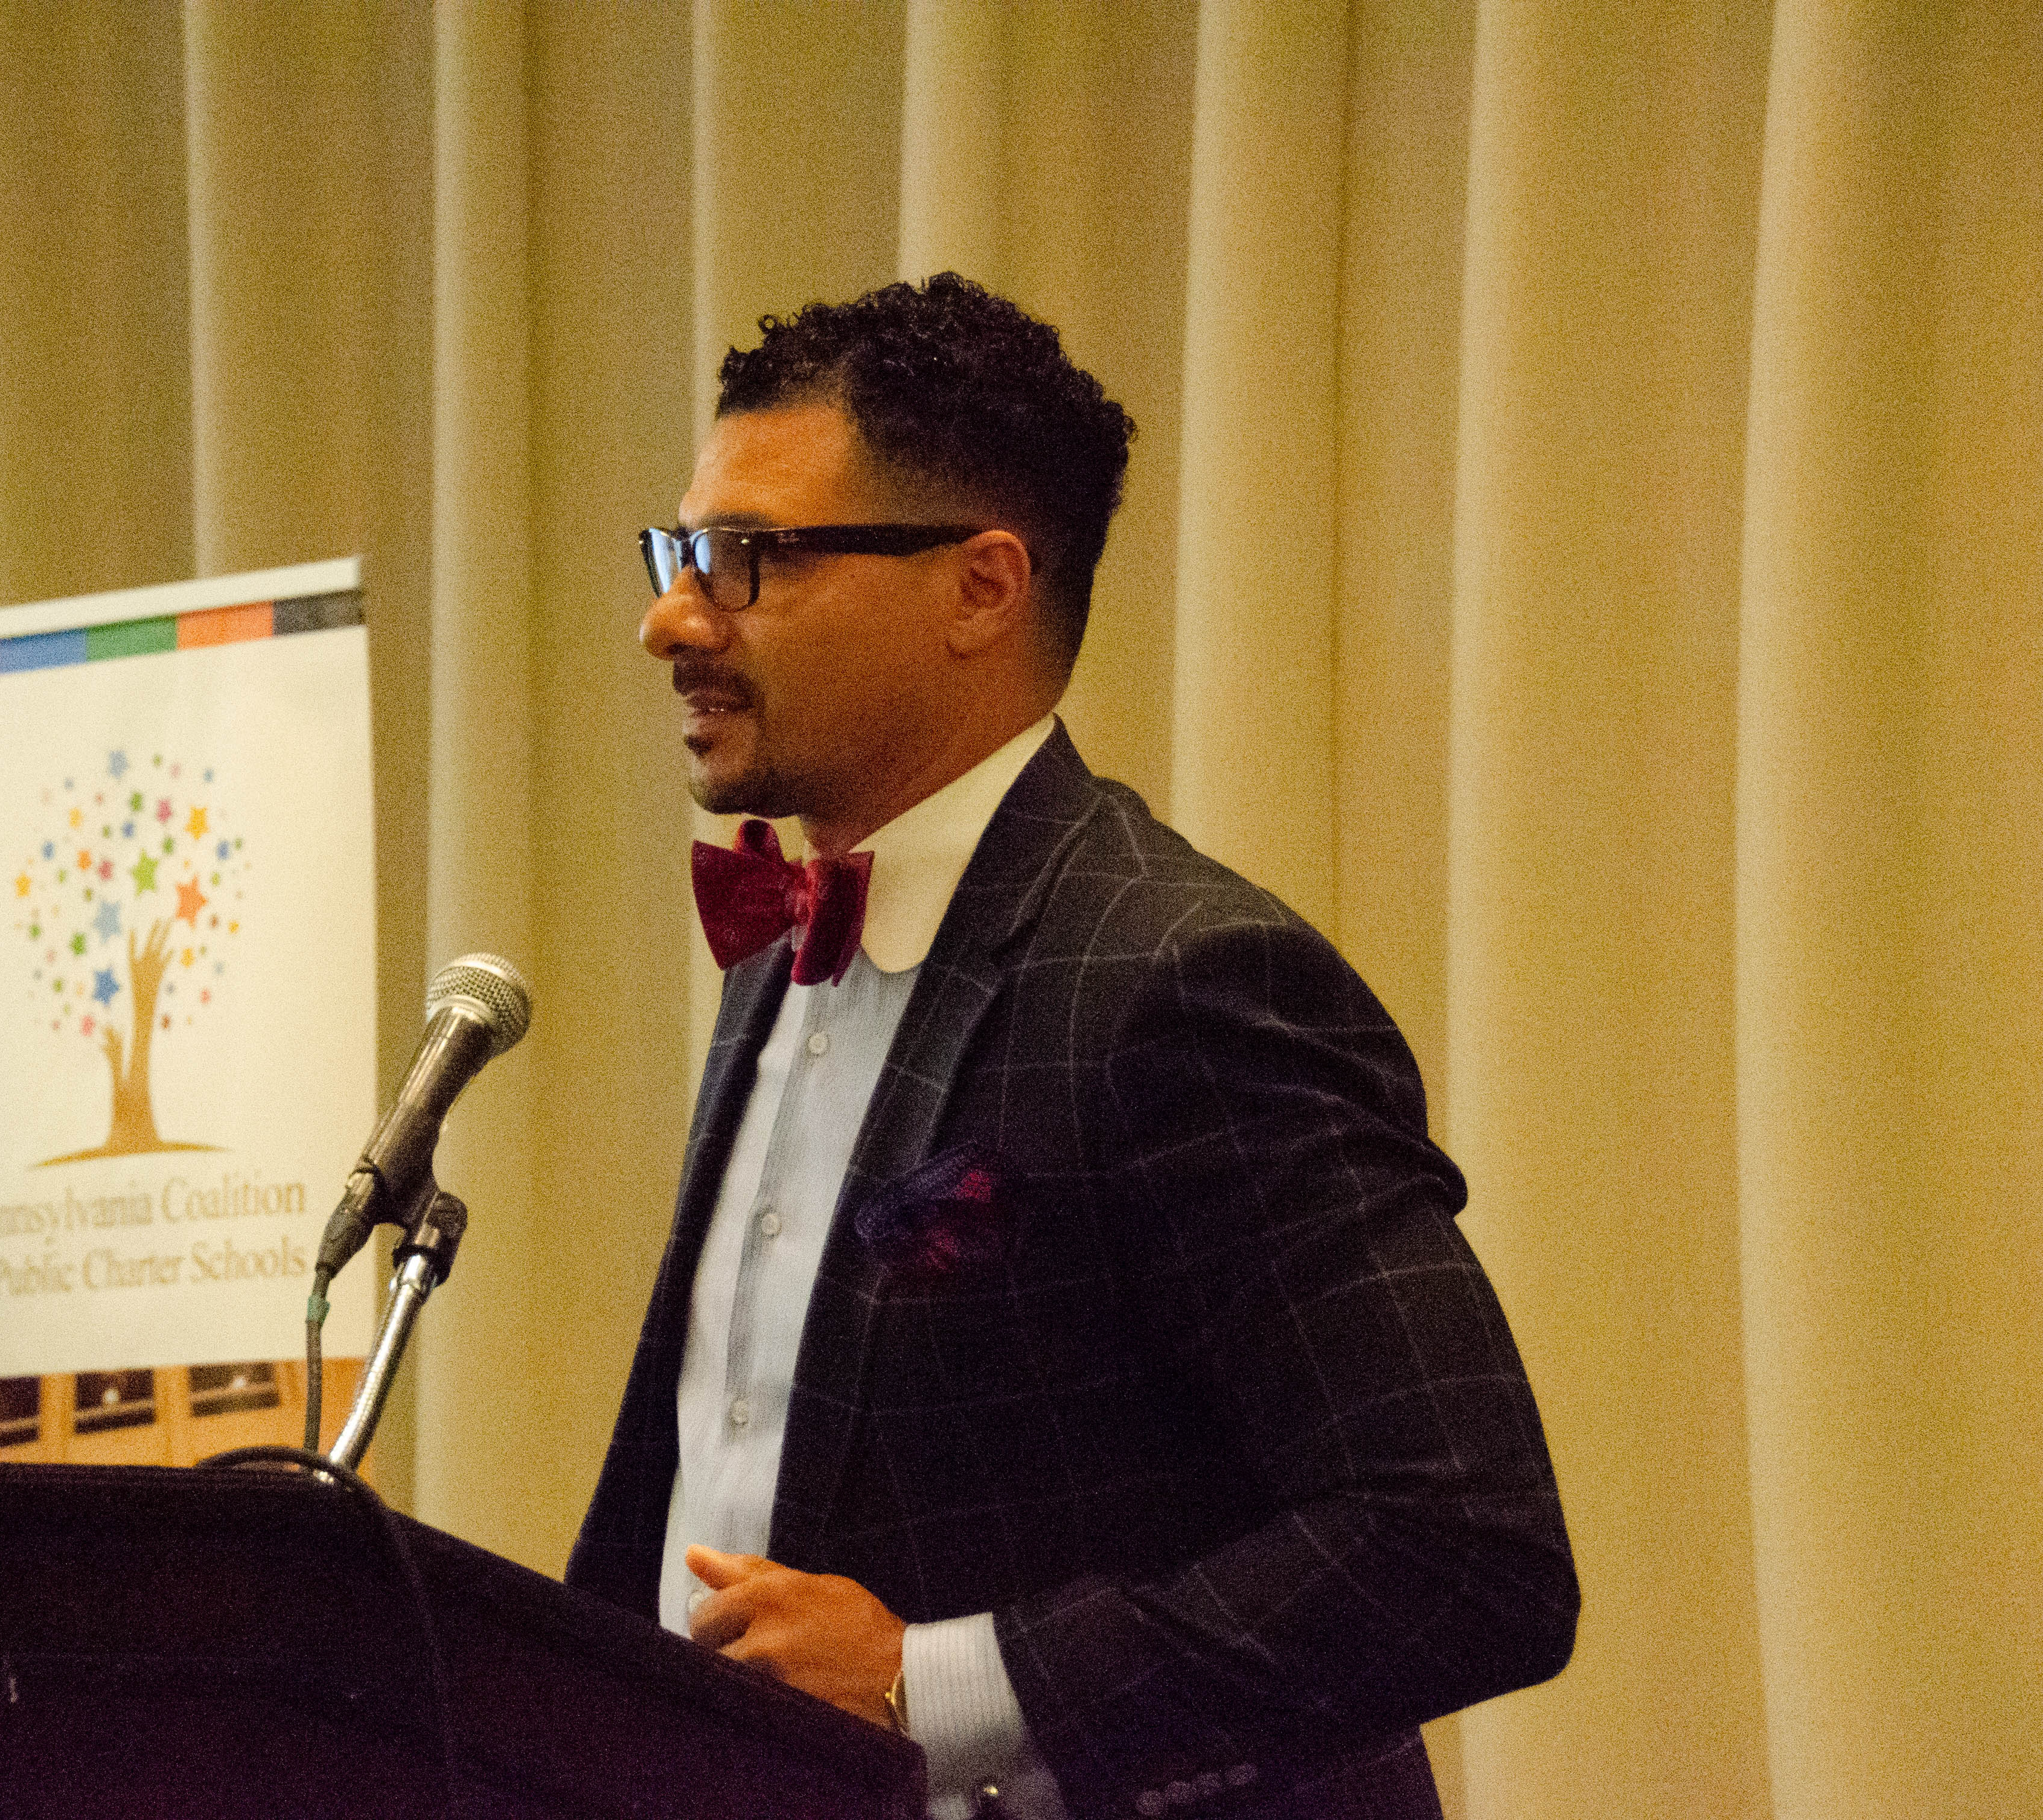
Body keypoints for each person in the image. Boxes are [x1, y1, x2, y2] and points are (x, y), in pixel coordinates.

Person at [566, 273, 1576, 1819]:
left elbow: (1459, 1545)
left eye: (748, 559)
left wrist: (928, 1684)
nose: (670, 619)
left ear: (980, 588)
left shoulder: (1183, 978)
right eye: (679, 553)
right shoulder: (775, 951)